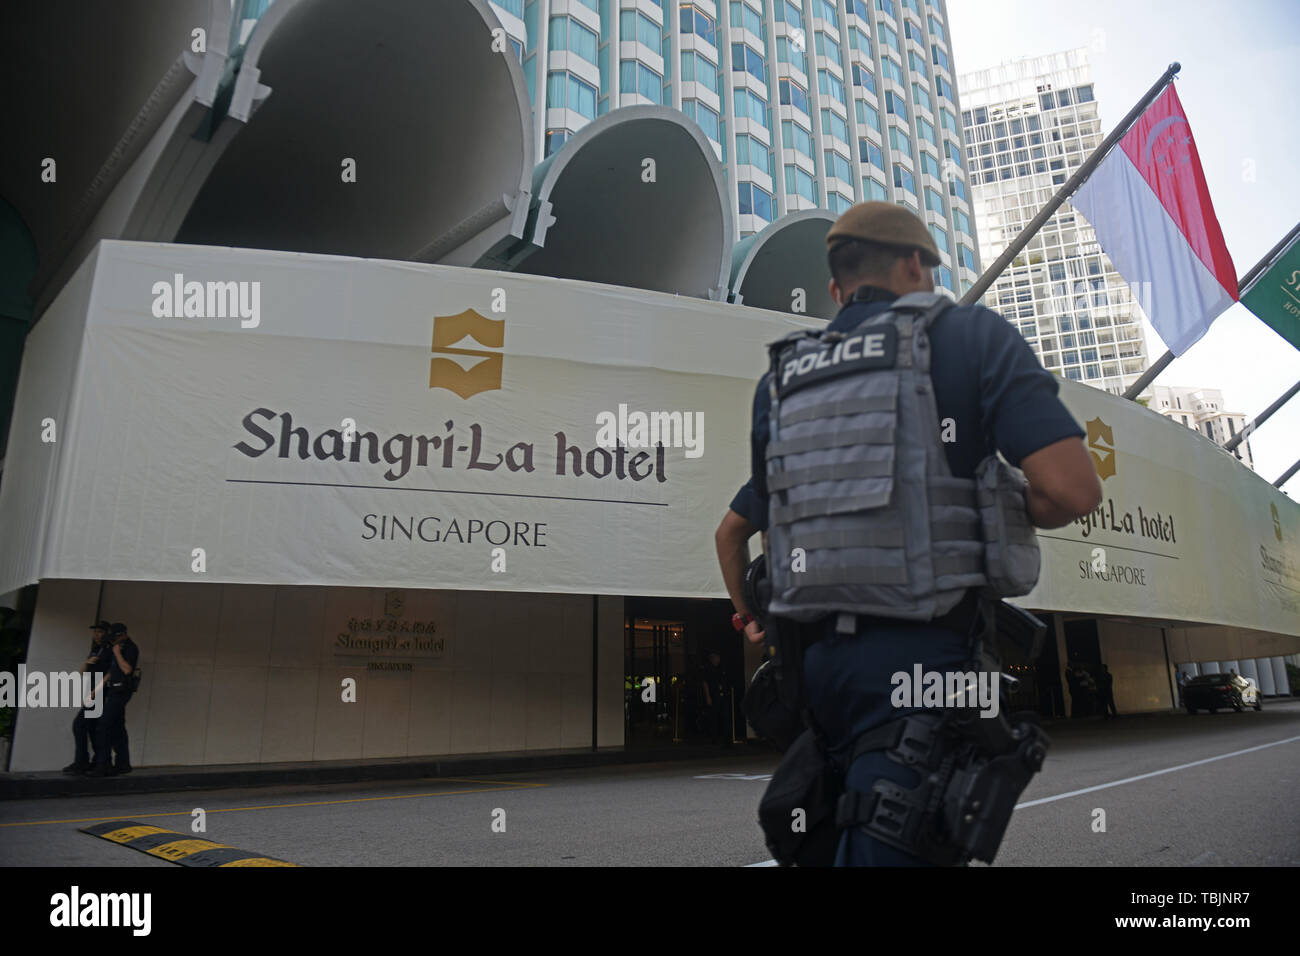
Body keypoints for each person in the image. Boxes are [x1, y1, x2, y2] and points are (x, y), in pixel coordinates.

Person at [716, 201, 1102, 866]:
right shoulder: (967, 338)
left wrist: (750, 618)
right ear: (915, 264)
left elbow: (741, 530)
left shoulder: (778, 381)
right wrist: (1004, 503)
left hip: (813, 676)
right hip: (927, 662)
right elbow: (1071, 490)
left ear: (836, 289)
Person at [87, 623, 139, 777]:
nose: (113, 643)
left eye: (114, 639)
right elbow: (111, 671)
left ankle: (103, 764)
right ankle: (123, 764)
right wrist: (96, 690)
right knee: (118, 728)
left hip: (122, 691)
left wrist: (117, 653)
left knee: (104, 726)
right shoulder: (120, 647)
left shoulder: (130, 648)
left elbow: (127, 669)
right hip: (113, 689)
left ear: (122, 635)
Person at [63, 620, 112, 774]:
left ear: (106, 634)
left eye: (100, 632)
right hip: (90, 690)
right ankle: (98, 761)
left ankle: (82, 761)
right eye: (95, 632)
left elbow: (111, 673)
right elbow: (82, 672)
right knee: (92, 728)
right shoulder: (96, 650)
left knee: (79, 725)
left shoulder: (110, 651)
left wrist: (96, 691)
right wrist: (87, 662)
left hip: (98, 692)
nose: (96, 635)